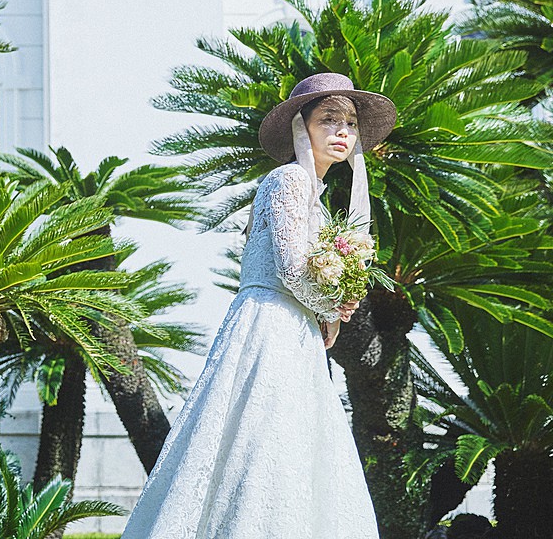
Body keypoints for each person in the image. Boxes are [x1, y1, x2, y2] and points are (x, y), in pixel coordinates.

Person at [120, 72, 396, 539]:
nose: (343, 131)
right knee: (262, 434)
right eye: (329, 119)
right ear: (301, 126)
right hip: (271, 323)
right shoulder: (289, 179)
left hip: (294, 327)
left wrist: (330, 307)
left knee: (289, 439)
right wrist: (332, 307)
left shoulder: (314, 193)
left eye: (350, 123)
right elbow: (290, 269)